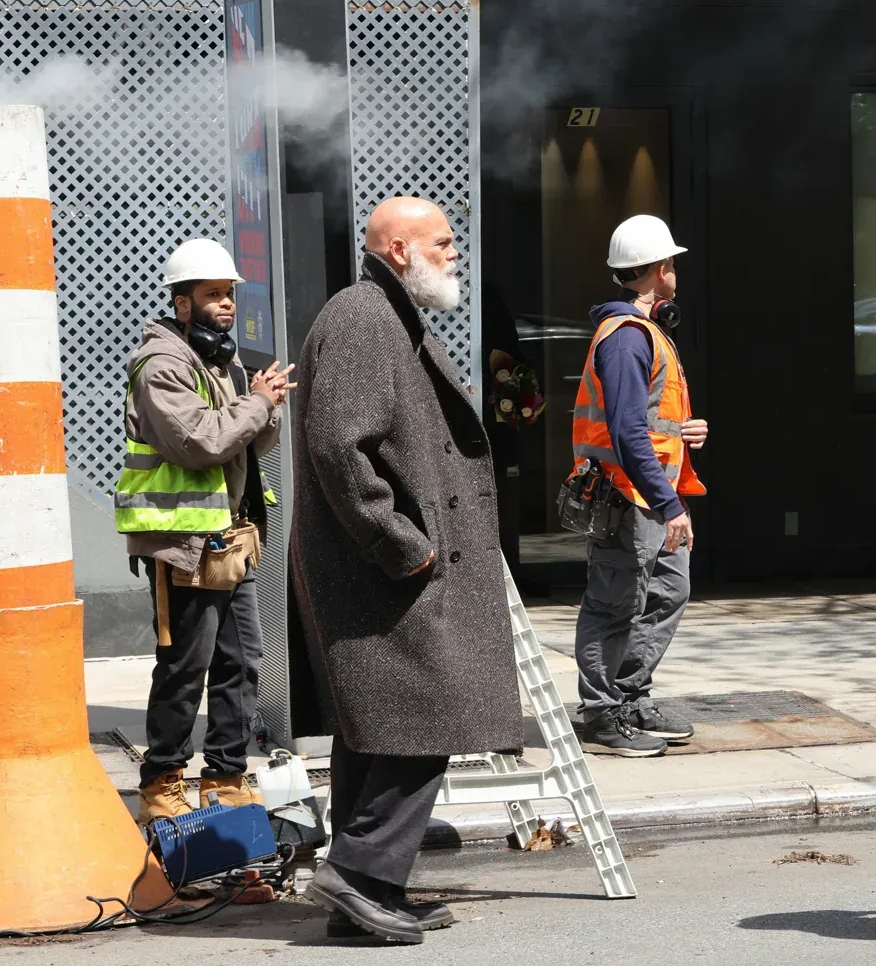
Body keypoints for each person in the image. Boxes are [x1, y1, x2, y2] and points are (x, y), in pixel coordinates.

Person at [290, 197, 521, 945]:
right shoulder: (362, 315)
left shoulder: (384, 312)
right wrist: (404, 546)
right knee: (427, 713)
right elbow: (336, 448)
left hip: (387, 572)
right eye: (444, 243)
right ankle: (357, 872)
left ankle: (369, 893)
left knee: (383, 725)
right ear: (398, 248)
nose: (456, 254)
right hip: (384, 571)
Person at [113, 238, 294, 823]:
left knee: (242, 663)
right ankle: (162, 780)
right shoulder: (163, 366)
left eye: (229, 294)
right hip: (184, 546)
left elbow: (244, 439)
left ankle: (225, 777)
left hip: (229, 542)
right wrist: (255, 405)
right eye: (212, 294)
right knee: (185, 667)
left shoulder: (221, 362)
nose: (225, 305)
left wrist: (268, 405)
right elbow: (201, 443)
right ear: (182, 303)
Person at [571, 214, 708, 758]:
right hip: (630, 498)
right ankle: (602, 712)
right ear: (659, 269)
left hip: (651, 495)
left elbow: (648, 421)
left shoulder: (647, 334)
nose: (675, 273)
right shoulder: (627, 339)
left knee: (667, 592)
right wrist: (668, 503)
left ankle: (629, 695)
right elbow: (627, 431)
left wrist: (687, 430)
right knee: (614, 605)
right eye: (671, 263)